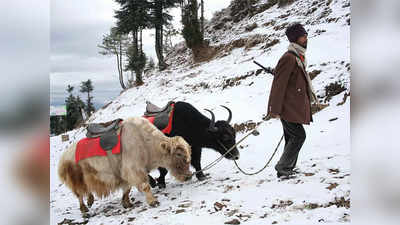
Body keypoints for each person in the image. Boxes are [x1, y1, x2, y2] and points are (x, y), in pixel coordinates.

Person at [267, 23, 319, 178]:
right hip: (287, 108)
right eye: (303, 36)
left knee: (291, 137)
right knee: (298, 136)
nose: (306, 39)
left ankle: (287, 167)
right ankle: (283, 168)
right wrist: (274, 110)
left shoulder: (298, 57)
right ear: (295, 39)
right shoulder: (289, 58)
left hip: (292, 107)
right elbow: (278, 85)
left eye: (306, 36)